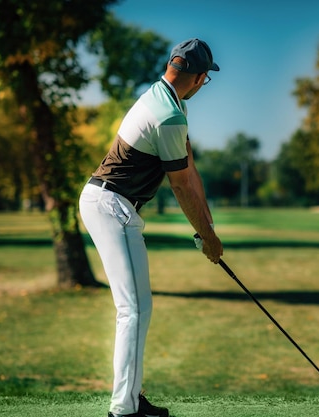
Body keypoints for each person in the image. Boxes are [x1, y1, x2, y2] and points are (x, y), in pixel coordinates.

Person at [79, 38, 223, 417]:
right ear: (198, 77)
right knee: (132, 309)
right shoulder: (169, 115)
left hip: (119, 207)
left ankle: (131, 399)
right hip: (108, 205)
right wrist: (207, 239)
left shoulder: (171, 102)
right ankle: (122, 409)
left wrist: (208, 229)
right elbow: (179, 185)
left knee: (141, 307)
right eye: (205, 78)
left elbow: (190, 172)